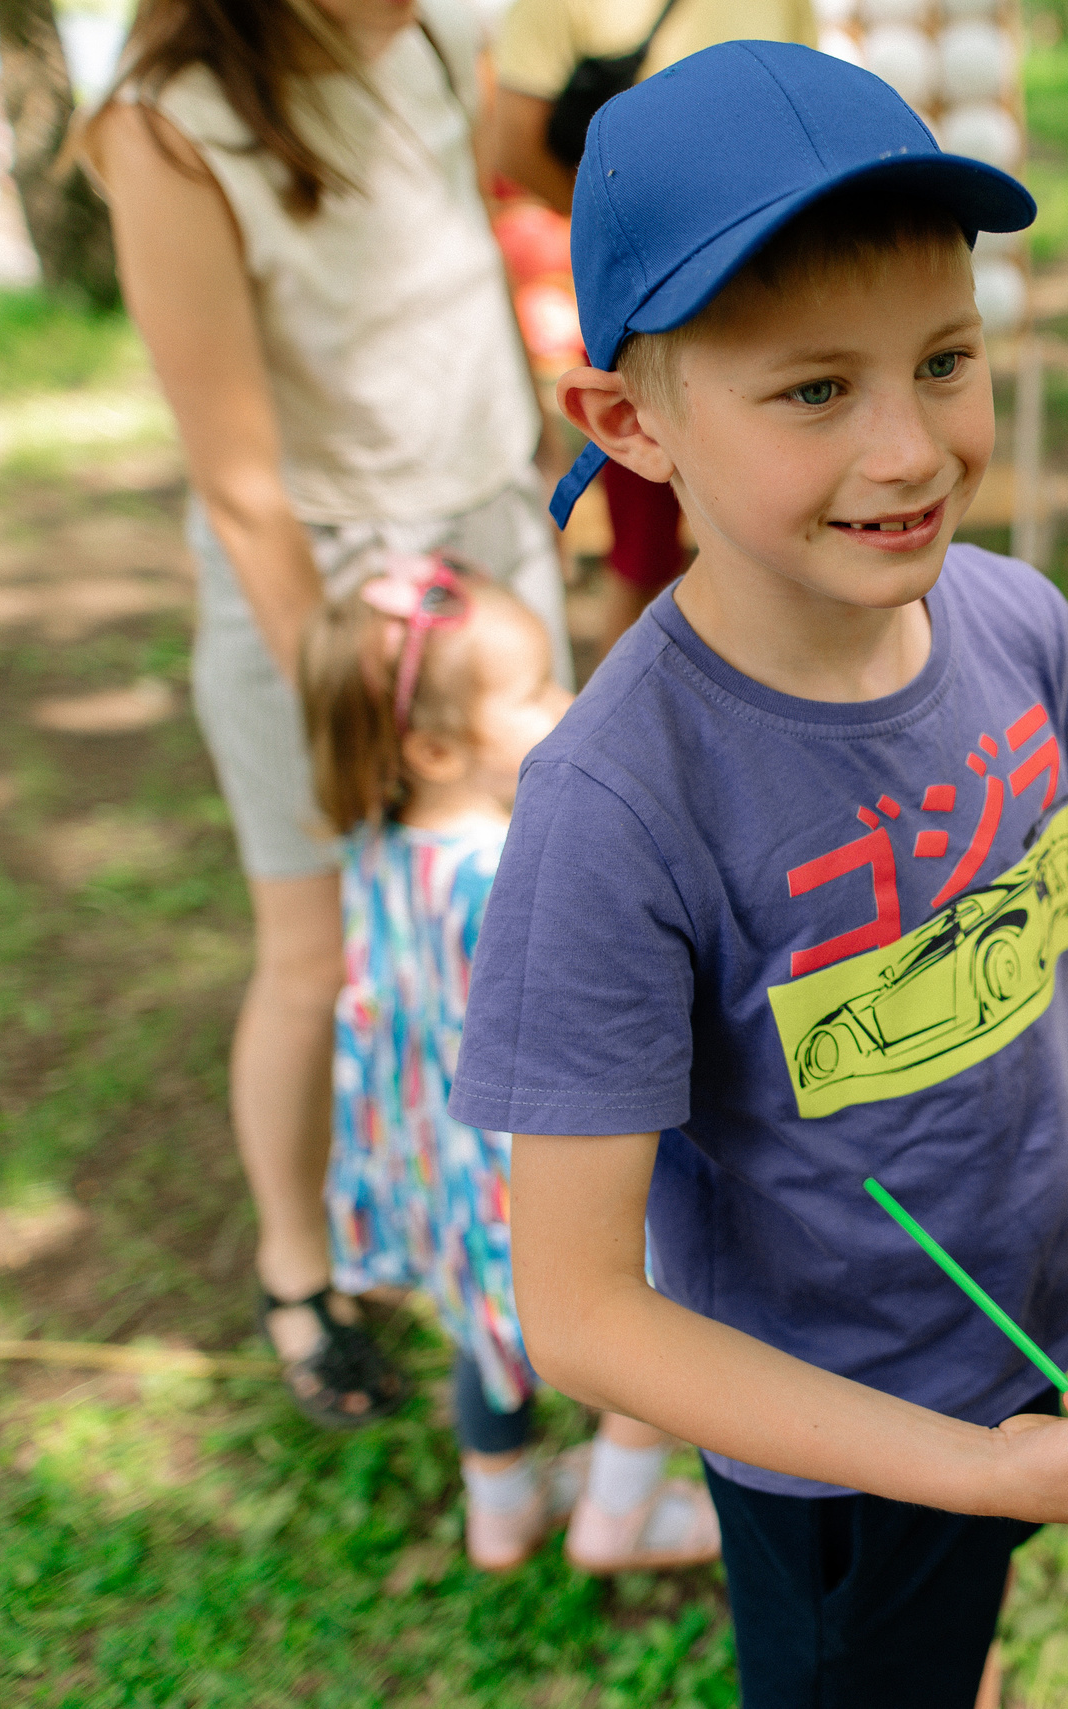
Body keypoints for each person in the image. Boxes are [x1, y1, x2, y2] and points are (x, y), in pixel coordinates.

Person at [445, 44, 1068, 1707]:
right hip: (841, 1458)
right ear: (625, 421)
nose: (908, 449)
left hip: (1024, 1333)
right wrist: (960, 1466)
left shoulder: (1018, 625)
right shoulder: (617, 801)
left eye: (944, 359)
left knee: (952, 1650)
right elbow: (581, 1313)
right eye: (814, 390)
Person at [86, 0, 573, 1429]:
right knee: (321, 952)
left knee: (534, 913)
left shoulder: (427, 36)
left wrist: (530, 461)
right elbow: (239, 476)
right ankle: (302, 1266)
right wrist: (337, 697)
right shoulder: (166, 124)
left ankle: (538, 1241)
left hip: (485, 555)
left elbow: (461, 269)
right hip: (318, 590)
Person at [304, 554, 722, 1573]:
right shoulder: (509, 874)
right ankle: (616, 1518)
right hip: (529, 1173)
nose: (568, 702)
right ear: (438, 745)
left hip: (443, 1172)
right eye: (533, 690)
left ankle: (500, 1510)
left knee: (480, 1333)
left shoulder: (378, 845)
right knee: (658, 1324)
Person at [489, 0, 818, 663]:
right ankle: (626, 743)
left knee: (795, 543)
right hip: (647, 310)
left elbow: (803, 106)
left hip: (778, 297)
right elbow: (513, 142)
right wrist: (632, 241)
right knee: (643, 559)